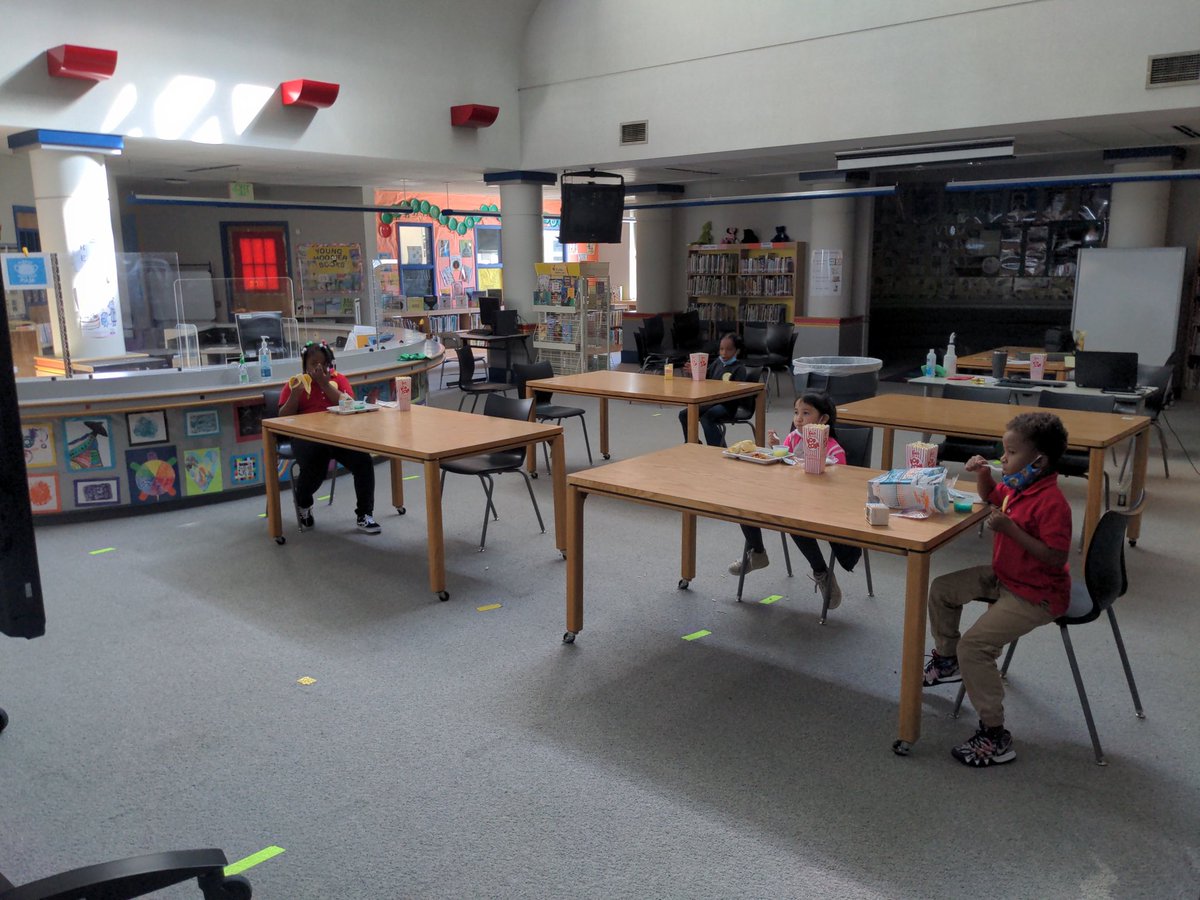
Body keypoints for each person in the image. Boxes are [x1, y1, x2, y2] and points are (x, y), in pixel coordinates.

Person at [923, 411, 1071, 767]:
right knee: (942, 589)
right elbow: (992, 495)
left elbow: (1055, 557)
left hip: (1036, 594)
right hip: (1007, 576)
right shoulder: (1021, 485)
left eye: (1011, 452)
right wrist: (984, 474)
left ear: (1039, 460)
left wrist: (1011, 530)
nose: (1004, 458)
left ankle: (995, 734)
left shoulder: (1052, 502)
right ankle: (947, 660)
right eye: (1003, 451)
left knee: (973, 647)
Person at [728, 391, 862, 607]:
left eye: (806, 413)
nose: (798, 418)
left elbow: (841, 483)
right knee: (745, 503)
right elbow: (785, 468)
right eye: (796, 412)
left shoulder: (834, 448)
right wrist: (777, 449)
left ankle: (822, 573)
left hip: (818, 505)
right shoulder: (793, 438)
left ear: (823, 420)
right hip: (790, 497)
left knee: (794, 523)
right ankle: (758, 552)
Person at [277, 341, 381, 534]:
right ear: (305, 365)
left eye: (323, 363)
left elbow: (349, 404)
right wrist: (294, 395)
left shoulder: (338, 379)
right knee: (316, 465)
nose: (318, 367)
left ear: (329, 364)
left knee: (363, 461)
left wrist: (325, 384)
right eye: (313, 363)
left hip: (339, 435)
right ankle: (304, 504)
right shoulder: (295, 383)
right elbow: (283, 418)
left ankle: (364, 514)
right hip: (306, 436)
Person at [677, 332, 751, 447]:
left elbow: (739, 392)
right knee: (684, 414)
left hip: (728, 405)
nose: (724, 353)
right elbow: (707, 377)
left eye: (729, 350)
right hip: (711, 401)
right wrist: (696, 371)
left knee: (707, 417)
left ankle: (717, 449)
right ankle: (692, 443)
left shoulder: (739, 368)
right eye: (721, 349)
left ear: (737, 351)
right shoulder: (717, 362)